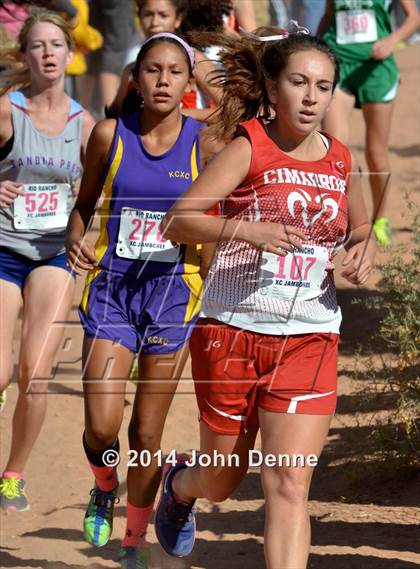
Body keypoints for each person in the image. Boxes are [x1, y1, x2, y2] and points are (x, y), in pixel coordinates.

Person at [153, 26, 377, 569]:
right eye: (298, 82)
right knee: (223, 481)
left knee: (289, 483)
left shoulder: (341, 158)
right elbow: (177, 221)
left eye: (322, 87)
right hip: (231, 331)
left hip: (308, 337)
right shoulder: (248, 146)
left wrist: (362, 246)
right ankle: (181, 485)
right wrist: (246, 231)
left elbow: (362, 222)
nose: (310, 97)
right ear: (273, 89)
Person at [66, 32, 222, 568]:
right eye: (151, 70)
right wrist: (73, 234)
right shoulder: (110, 135)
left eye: (174, 72)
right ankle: (104, 483)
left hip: (174, 294)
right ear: (135, 78)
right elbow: (84, 205)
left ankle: (134, 539)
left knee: (147, 430)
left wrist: (205, 74)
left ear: (187, 82)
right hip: (112, 290)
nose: (162, 81)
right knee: (102, 426)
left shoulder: (206, 142)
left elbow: (250, 117)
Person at [0, 8, 94, 512]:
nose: (48, 53)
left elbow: (99, 194)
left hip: (54, 255)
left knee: (34, 375)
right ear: (25, 56)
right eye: (37, 46)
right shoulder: (6, 110)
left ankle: (12, 474)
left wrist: (85, 230)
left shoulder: (85, 126)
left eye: (56, 45)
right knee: (1, 372)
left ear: (71, 54)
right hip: (3, 251)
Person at [318, 0, 420, 247]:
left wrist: (391, 41)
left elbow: (413, 18)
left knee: (376, 152)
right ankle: (342, 221)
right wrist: (316, 45)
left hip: (376, 67)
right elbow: (329, 15)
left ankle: (380, 219)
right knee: (334, 150)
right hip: (339, 62)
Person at [110, 0, 221, 123]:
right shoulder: (131, 70)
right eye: (148, 15)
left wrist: (174, 114)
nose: (154, 22)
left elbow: (230, 111)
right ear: (139, 19)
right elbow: (114, 114)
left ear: (178, 19)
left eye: (163, 15)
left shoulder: (195, 60)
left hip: (190, 139)